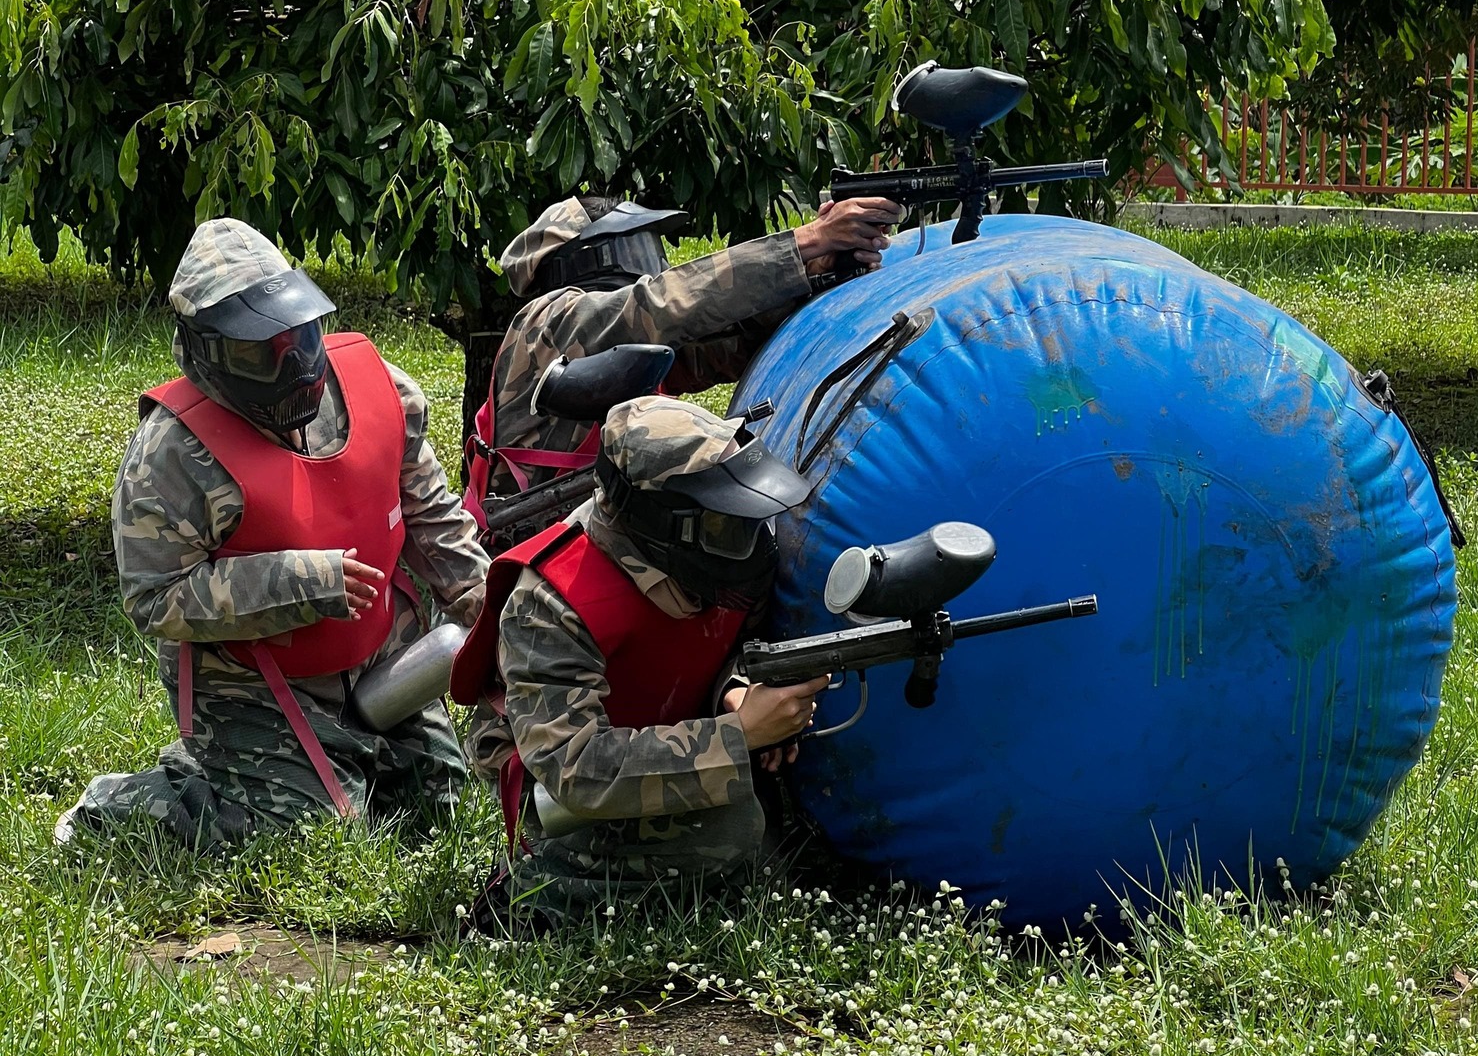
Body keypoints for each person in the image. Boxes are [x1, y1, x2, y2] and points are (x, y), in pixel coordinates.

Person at [55, 218, 491, 849]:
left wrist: (485, 606)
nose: (295, 368)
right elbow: (153, 596)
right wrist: (301, 580)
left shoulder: (381, 390)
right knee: (314, 833)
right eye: (260, 352)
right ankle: (131, 801)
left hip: (383, 657)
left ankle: (339, 756)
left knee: (440, 810)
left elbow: (432, 515)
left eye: (301, 339)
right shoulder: (170, 456)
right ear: (205, 351)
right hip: (254, 686)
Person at [451, 395, 829, 929]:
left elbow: (713, 647)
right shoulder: (553, 601)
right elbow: (574, 768)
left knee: (768, 836)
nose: (748, 543)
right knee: (731, 830)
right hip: (563, 788)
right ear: (662, 523)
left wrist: (734, 690)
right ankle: (537, 893)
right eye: (725, 525)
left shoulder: (705, 564)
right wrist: (737, 737)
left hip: (657, 734)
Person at [461, 193, 902, 547]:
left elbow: (727, 348)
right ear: (582, 259)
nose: (650, 261)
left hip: (592, 541)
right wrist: (808, 242)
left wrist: (817, 276)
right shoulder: (548, 321)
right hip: (532, 555)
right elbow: (658, 304)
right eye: (632, 245)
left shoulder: (622, 348)